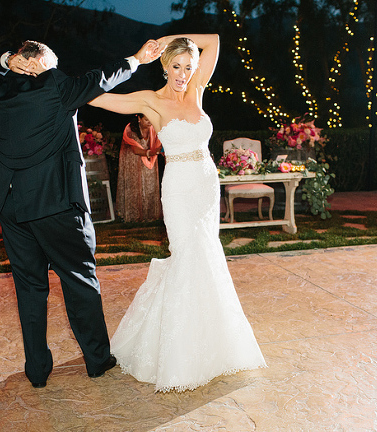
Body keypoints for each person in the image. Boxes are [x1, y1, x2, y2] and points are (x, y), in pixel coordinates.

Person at [0, 38, 162, 388]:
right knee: (79, 280)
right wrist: (137, 59)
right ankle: (97, 359)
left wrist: (7, 60)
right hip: (55, 203)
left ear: (18, 62)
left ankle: (37, 371)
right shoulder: (55, 86)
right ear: (42, 64)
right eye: (52, 63)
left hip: (11, 206)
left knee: (29, 287)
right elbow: (100, 77)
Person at [90, 34, 267, 392]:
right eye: (176, 66)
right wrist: (138, 57)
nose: (183, 74)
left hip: (205, 183)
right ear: (165, 66)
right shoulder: (151, 101)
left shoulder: (197, 90)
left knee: (207, 257)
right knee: (187, 256)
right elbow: (98, 97)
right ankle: (178, 353)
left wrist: (174, 40)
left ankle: (213, 344)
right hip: (178, 188)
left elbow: (216, 41)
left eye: (188, 67)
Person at [117, 114, 163, 222]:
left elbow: (159, 144)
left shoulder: (154, 128)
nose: (149, 122)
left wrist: (159, 150)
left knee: (149, 185)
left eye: (151, 119)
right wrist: (150, 152)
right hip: (132, 162)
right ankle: (133, 217)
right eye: (146, 119)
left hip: (149, 162)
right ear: (139, 118)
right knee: (134, 186)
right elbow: (135, 149)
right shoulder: (130, 129)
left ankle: (150, 216)